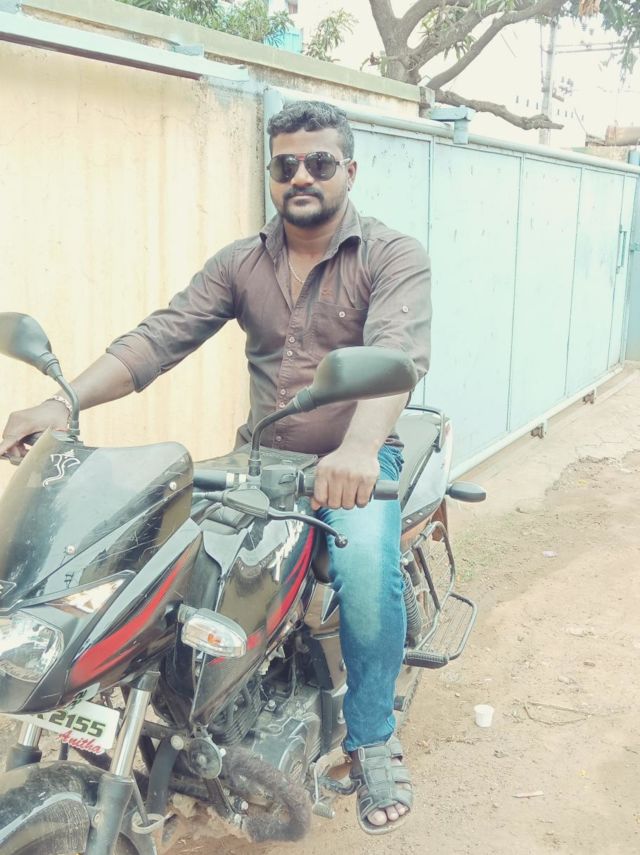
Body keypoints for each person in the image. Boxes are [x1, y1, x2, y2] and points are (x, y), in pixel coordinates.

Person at [0, 100, 431, 834]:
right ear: (272, 173)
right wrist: (62, 401)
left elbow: (397, 355)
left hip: (355, 458)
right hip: (259, 456)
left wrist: (359, 449)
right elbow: (159, 338)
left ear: (349, 171)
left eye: (319, 162)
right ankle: (184, 711)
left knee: (364, 571)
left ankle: (371, 739)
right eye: (286, 164)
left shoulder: (392, 256)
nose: (301, 176)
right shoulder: (241, 262)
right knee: (168, 556)